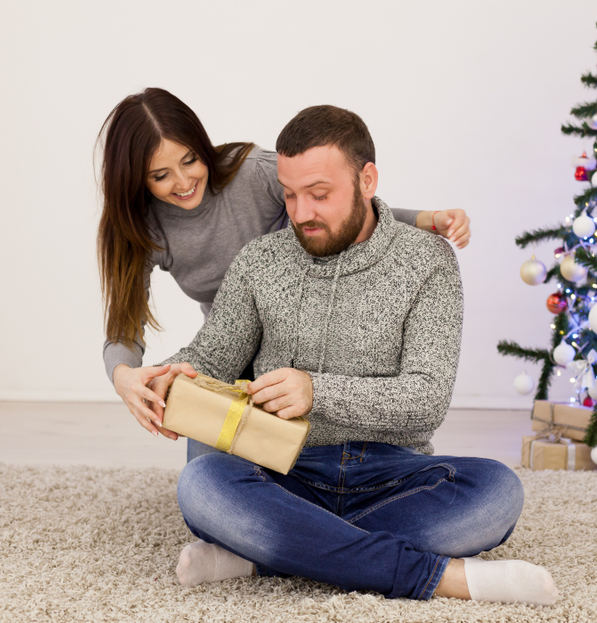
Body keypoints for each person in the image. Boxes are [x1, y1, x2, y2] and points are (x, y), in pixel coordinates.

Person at [145, 105, 558, 606]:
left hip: (393, 474)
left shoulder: (427, 260)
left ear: (368, 179)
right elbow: (211, 355)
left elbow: (426, 399)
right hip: (283, 471)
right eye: (290, 195)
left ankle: (263, 552)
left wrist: (317, 392)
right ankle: (435, 576)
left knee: (496, 493)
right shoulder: (260, 260)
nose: (301, 213)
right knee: (203, 485)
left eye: (319, 195)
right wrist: (174, 376)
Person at [97, 88, 471, 444]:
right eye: (160, 176)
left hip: (293, 342)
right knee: (205, 479)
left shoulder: (255, 173)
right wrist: (132, 379)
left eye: (190, 160)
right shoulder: (147, 230)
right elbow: (138, 329)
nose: (183, 182)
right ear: (137, 181)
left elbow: (345, 207)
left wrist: (425, 219)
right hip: (229, 348)